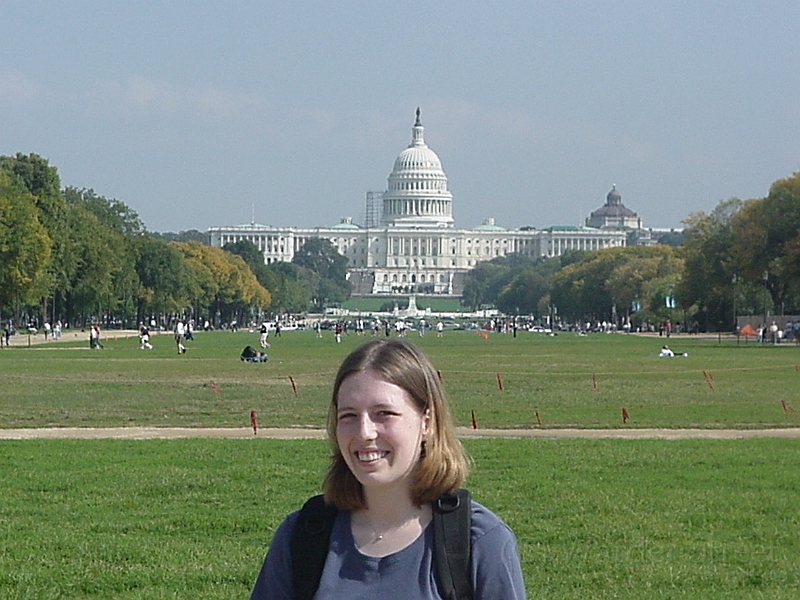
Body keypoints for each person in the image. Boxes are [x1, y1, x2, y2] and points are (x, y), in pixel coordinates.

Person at [249, 339, 526, 599]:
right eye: (349, 415)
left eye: (384, 414)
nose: (365, 432)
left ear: (427, 422)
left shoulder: (478, 542)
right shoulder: (302, 536)